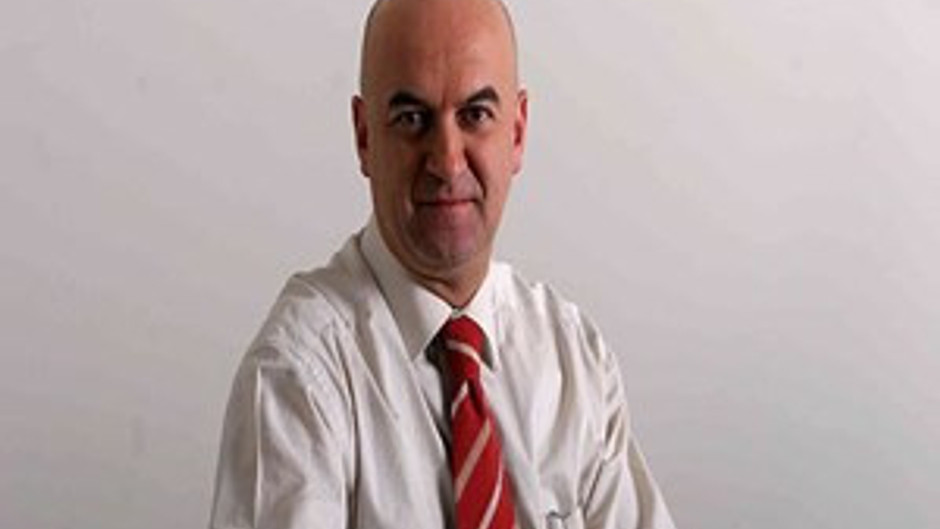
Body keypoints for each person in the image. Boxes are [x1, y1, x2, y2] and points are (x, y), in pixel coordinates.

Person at [209, 0, 677, 527]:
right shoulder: (300, 374)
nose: (448, 161)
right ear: (364, 137)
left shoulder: (573, 360)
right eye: (412, 119)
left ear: (517, 131)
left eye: (475, 115)